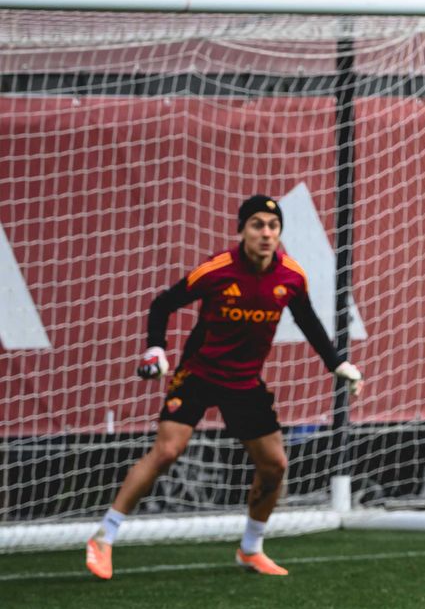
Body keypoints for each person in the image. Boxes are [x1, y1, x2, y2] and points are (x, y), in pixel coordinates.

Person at [84, 195, 365, 580]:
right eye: (257, 225)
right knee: (167, 451)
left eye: (273, 225)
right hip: (199, 374)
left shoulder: (291, 277)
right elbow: (163, 304)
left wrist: (338, 364)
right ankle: (104, 536)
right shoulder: (217, 270)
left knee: (275, 465)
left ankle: (251, 548)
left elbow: (309, 322)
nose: (266, 233)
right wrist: (156, 349)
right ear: (242, 231)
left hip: (245, 382)